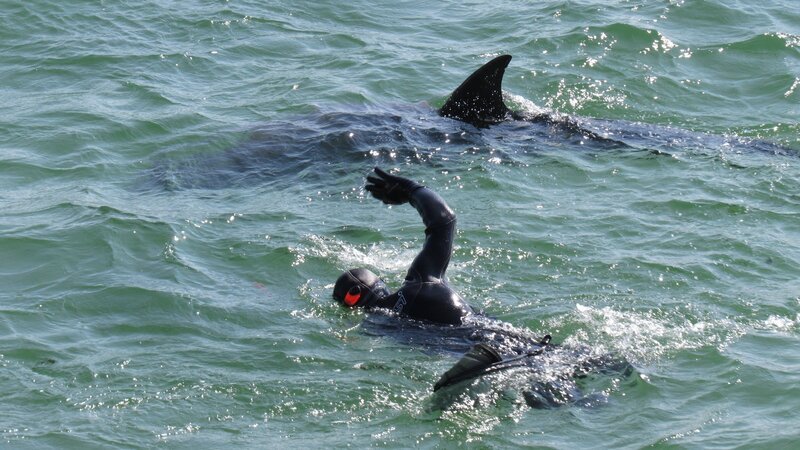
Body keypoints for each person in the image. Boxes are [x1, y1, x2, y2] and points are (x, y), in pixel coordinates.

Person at [332, 167, 474, 325]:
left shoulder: (377, 329)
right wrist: (411, 189)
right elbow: (445, 221)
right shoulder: (422, 282)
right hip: (488, 333)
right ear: (380, 283)